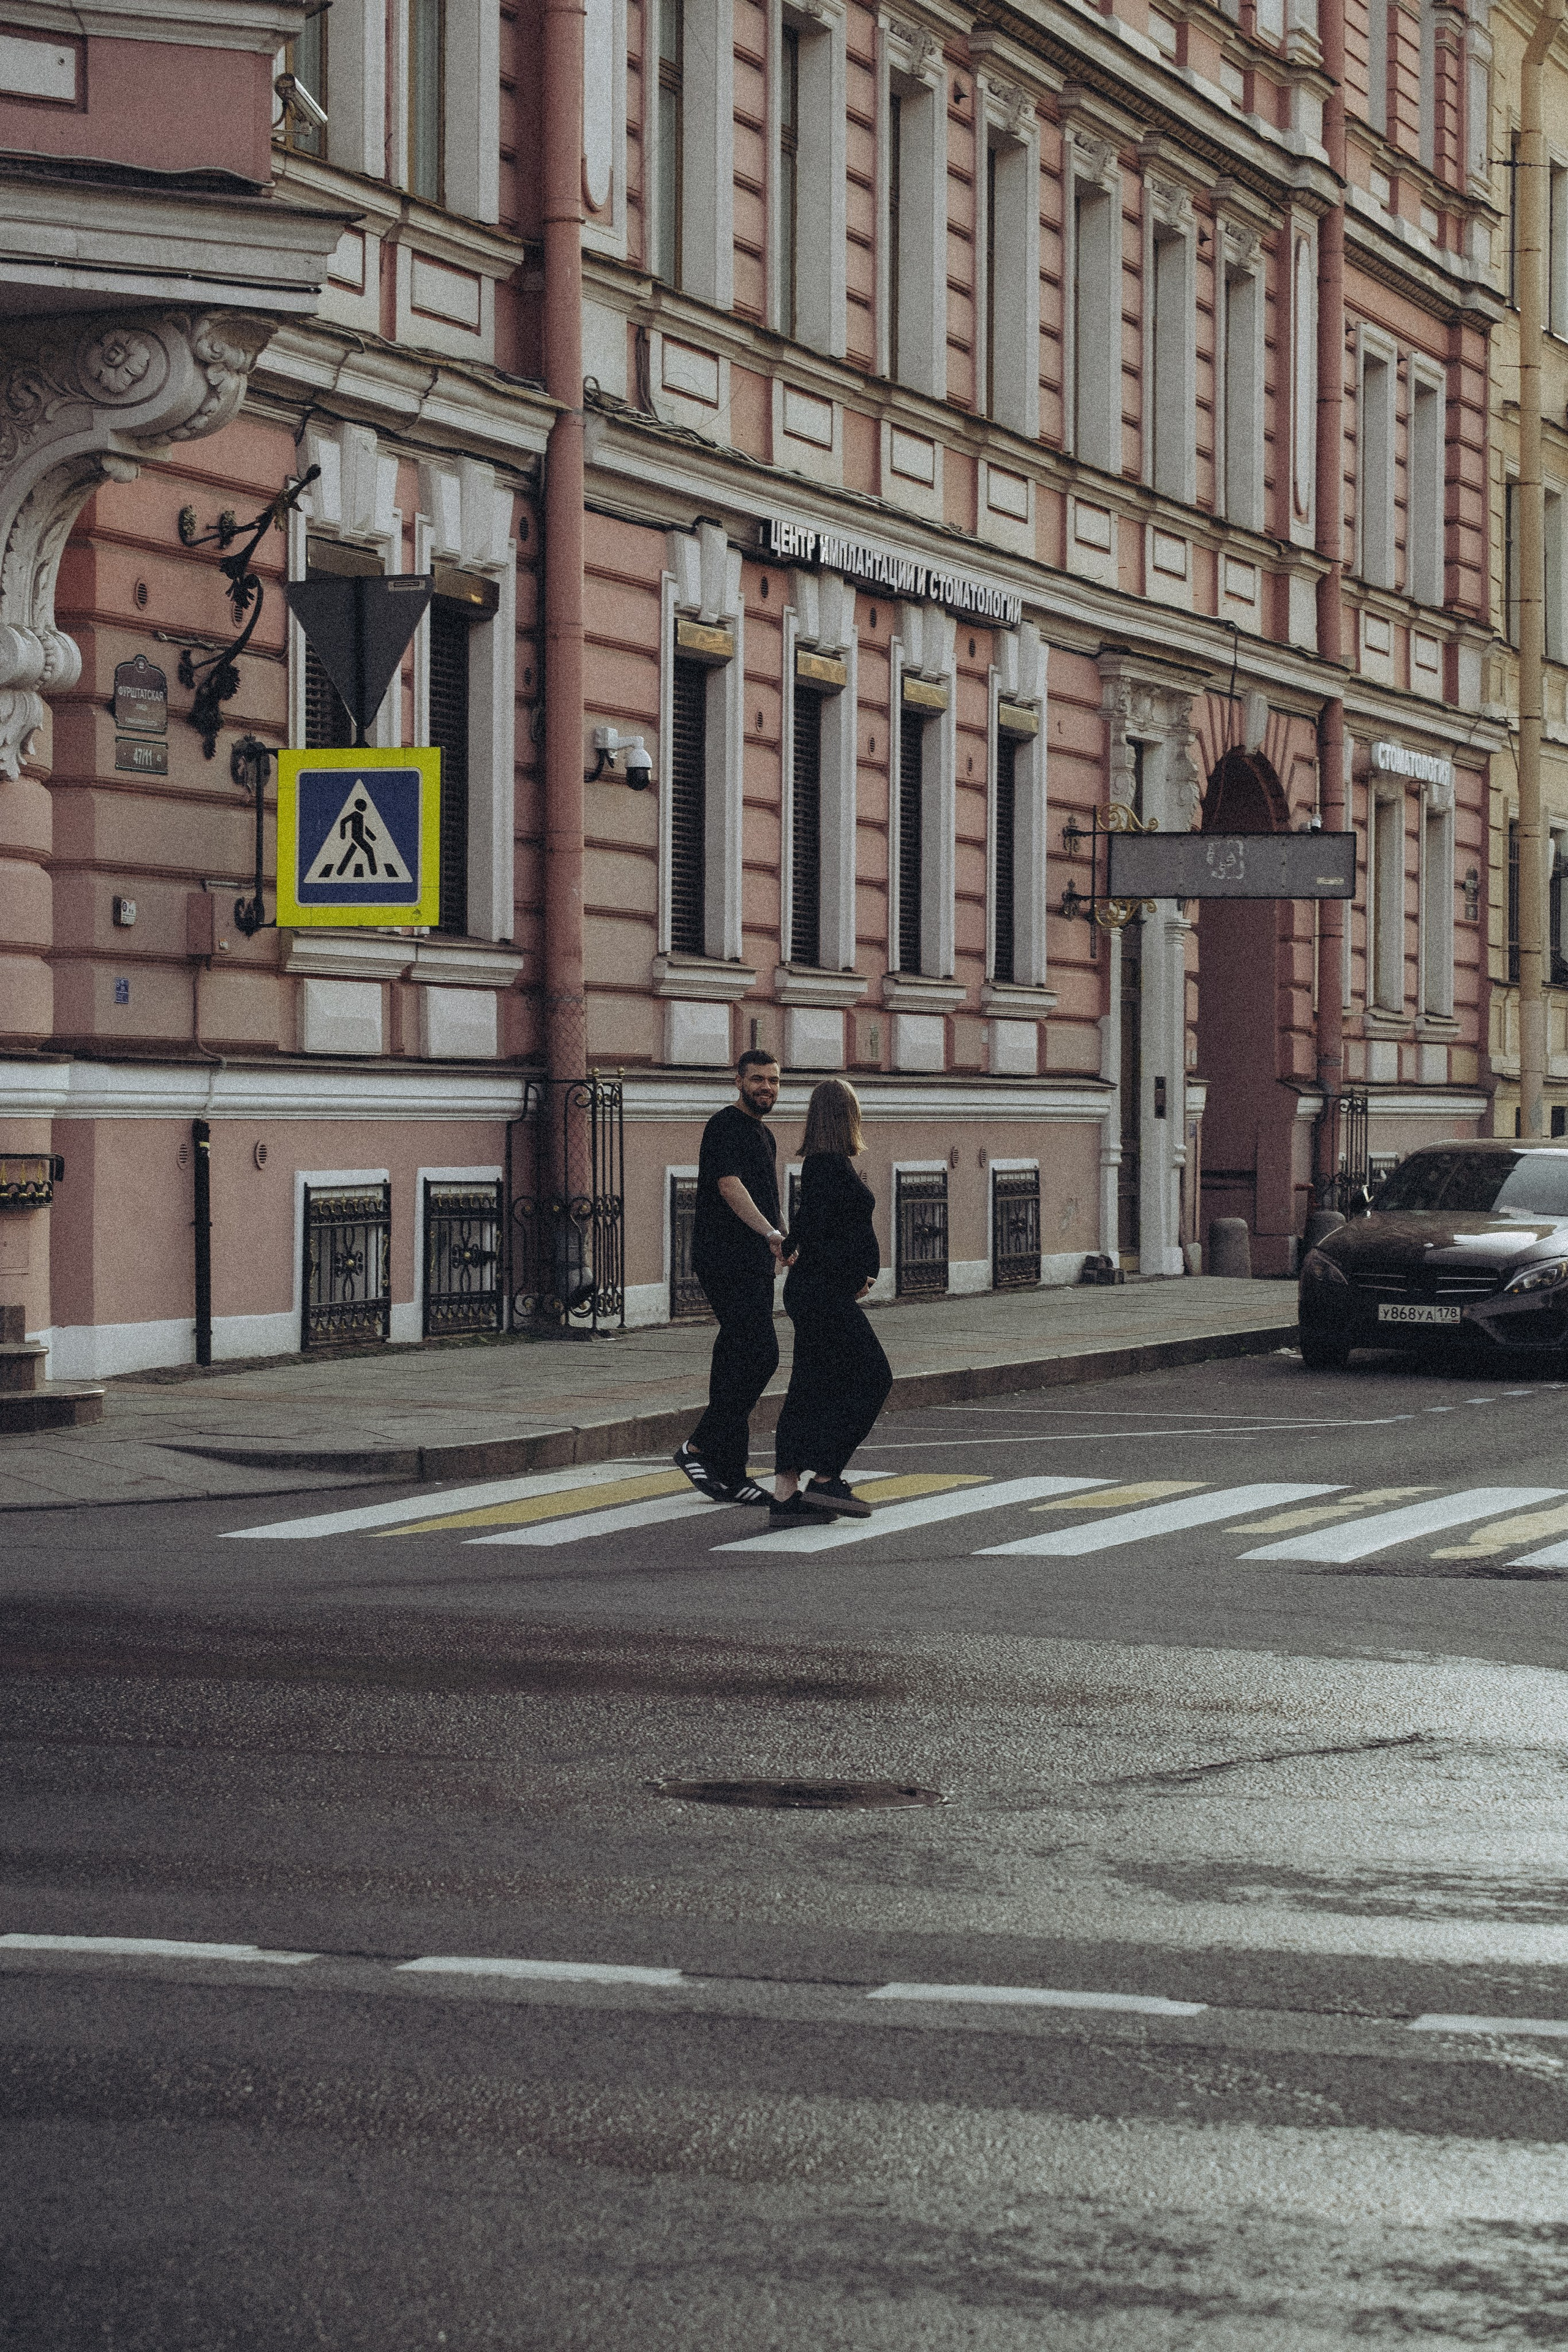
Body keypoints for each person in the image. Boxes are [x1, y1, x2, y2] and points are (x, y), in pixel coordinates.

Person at [770, 1077, 892, 1521]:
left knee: (813, 1383)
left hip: (818, 1292)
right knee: (874, 1377)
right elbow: (820, 1233)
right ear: (847, 1116)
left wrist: (794, 1246)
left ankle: (786, 1496)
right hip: (824, 1294)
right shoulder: (828, 1167)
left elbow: (808, 1226)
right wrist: (856, 1275)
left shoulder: (825, 1165)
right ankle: (827, 1479)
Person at [673, 1048, 785, 1506]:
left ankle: (731, 1473)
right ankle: (697, 1447)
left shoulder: (764, 1133)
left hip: (755, 1258)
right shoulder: (724, 1126)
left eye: (774, 1081)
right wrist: (771, 1232)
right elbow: (729, 1185)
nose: (767, 1088)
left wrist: (782, 1239)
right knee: (762, 1355)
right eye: (758, 1079)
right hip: (725, 1258)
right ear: (737, 1081)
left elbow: (767, 1194)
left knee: (735, 1363)